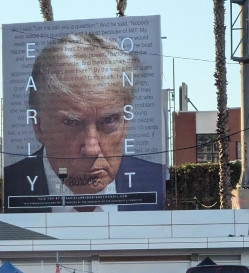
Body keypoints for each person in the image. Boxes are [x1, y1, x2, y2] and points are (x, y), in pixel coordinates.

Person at [4, 33, 164, 212]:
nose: (91, 149)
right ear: (38, 125)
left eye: (108, 120)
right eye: (71, 123)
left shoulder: (155, 183)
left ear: (126, 122)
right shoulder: (13, 184)